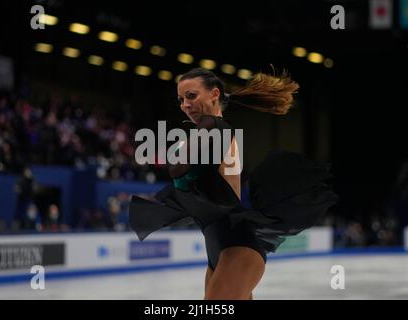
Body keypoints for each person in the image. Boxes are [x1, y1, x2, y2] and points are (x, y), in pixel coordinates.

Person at [129, 68, 338, 300]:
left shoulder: (216, 128)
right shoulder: (207, 133)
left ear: (214, 94)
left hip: (237, 246)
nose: (184, 105)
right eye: (180, 99)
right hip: (221, 249)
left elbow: (179, 169)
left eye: (191, 96)